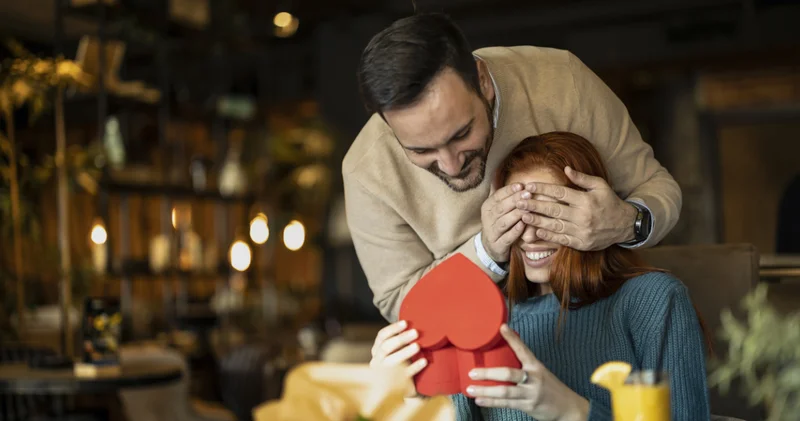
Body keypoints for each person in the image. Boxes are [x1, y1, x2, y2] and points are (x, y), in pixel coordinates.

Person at [344, 13, 682, 322]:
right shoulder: (367, 172)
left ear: (483, 82)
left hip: (600, 310)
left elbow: (656, 185)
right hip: (471, 349)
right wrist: (485, 252)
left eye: (461, 134)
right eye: (420, 150)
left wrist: (624, 222)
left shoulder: (562, 82)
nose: (451, 164)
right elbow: (401, 306)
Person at [369, 132, 710, 421]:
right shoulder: (479, 321)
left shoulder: (654, 301)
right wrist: (401, 397)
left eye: (550, 215)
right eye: (518, 216)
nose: (531, 236)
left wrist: (569, 410)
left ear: (592, 214)